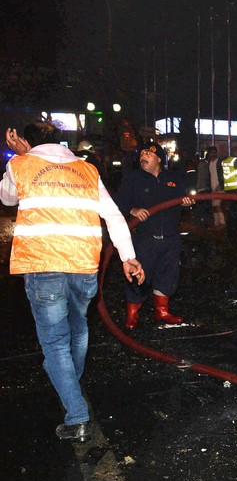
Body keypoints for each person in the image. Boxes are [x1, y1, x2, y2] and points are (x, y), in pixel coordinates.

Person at [0, 123, 145, 443]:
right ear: (59, 141)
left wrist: (20, 156)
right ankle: (69, 382)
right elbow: (114, 216)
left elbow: (7, 197)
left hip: (43, 264)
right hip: (83, 265)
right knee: (78, 327)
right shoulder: (87, 169)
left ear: (25, 141)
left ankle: (76, 414)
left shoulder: (20, 164)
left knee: (54, 342)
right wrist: (128, 256)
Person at [115, 142, 194, 329]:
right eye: (141, 153)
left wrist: (186, 202)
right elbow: (118, 202)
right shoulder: (133, 178)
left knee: (168, 274)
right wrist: (132, 210)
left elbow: (184, 198)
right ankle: (133, 314)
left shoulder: (173, 178)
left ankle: (162, 312)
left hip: (170, 237)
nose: (143, 156)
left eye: (148, 154)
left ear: (159, 158)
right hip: (145, 238)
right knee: (139, 274)